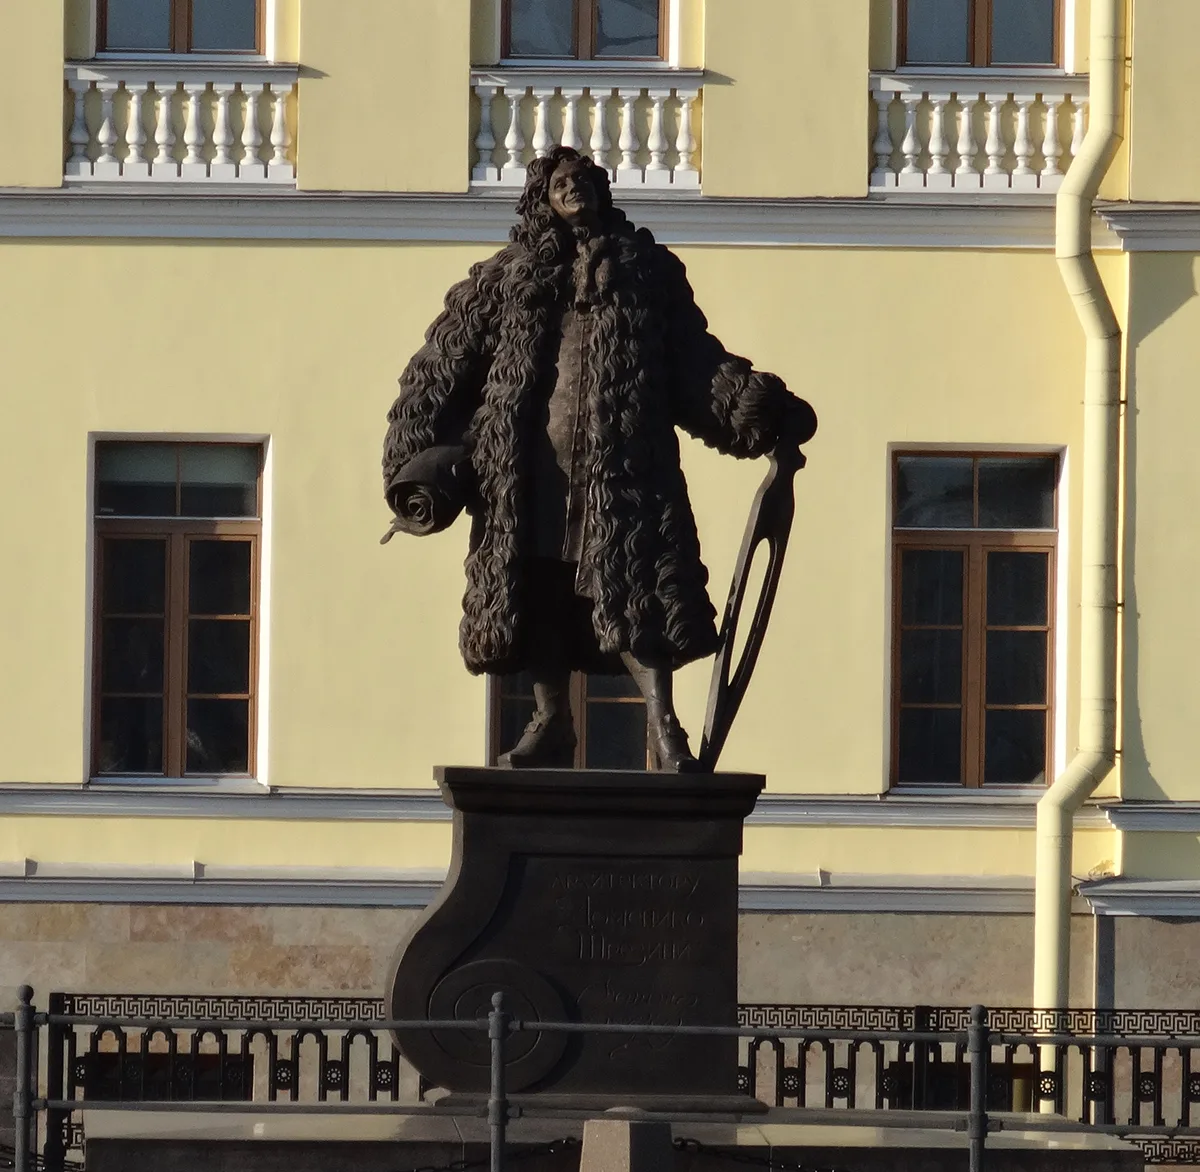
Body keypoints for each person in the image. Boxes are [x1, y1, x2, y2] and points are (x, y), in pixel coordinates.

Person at [382, 147, 816, 772]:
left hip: (623, 467)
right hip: (529, 469)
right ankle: (551, 719)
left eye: (584, 181)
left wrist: (762, 408)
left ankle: (665, 728)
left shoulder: (647, 273)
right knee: (537, 593)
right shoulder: (504, 280)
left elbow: (693, 364)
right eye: (562, 184)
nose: (575, 191)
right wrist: (414, 460)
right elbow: (440, 369)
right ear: (543, 199)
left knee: (637, 590)